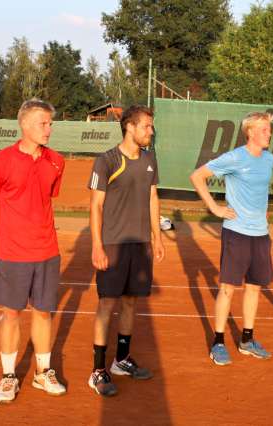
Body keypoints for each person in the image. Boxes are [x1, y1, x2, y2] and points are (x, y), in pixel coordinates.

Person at [0, 98, 67, 403]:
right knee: (11, 314)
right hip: (13, 253)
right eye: (43, 123)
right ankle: (8, 376)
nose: (49, 129)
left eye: (50, 124)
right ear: (25, 124)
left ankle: (43, 373)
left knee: (43, 313)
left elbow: (45, 199)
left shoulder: (56, 161)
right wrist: (7, 229)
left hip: (47, 250)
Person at [87, 105, 165, 397]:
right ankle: (98, 370)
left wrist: (157, 237)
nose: (151, 131)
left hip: (140, 244)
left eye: (151, 126)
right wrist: (97, 245)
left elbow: (153, 197)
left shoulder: (150, 159)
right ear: (130, 127)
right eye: (146, 126)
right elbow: (96, 206)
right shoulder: (106, 160)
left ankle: (121, 360)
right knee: (107, 303)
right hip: (113, 244)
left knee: (131, 301)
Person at [190, 112, 273, 366]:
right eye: (264, 129)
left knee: (254, 287)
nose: (269, 133)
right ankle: (218, 342)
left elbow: (260, 190)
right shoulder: (235, 157)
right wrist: (215, 208)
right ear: (250, 132)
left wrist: (263, 213)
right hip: (236, 232)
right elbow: (197, 176)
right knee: (228, 288)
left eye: (269, 129)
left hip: (261, 234)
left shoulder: (269, 159)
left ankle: (247, 340)